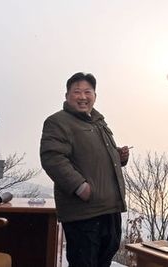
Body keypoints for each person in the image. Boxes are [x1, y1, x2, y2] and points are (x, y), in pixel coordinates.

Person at [40, 72, 129, 267]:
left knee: (103, 260)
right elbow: (52, 158)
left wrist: (118, 156)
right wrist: (80, 187)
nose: (83, 96)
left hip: (109, 210)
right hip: (83, 213)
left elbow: (93, 155)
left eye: (88, 92)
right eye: (77, 92)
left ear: (95, 96)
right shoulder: (58, 122)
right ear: (67, 96)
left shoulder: (98, 122)